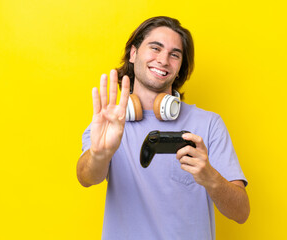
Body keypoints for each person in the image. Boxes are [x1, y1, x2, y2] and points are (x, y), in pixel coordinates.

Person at [77, 16, 250, 240]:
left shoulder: (209, 124)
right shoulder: (110, 121)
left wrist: (210, 177)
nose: (163, 60)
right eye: (155, 48)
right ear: (133, 53)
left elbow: (241, 212)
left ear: (180, 68)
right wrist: (100, 155)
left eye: (174, 54)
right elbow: (86, 177)